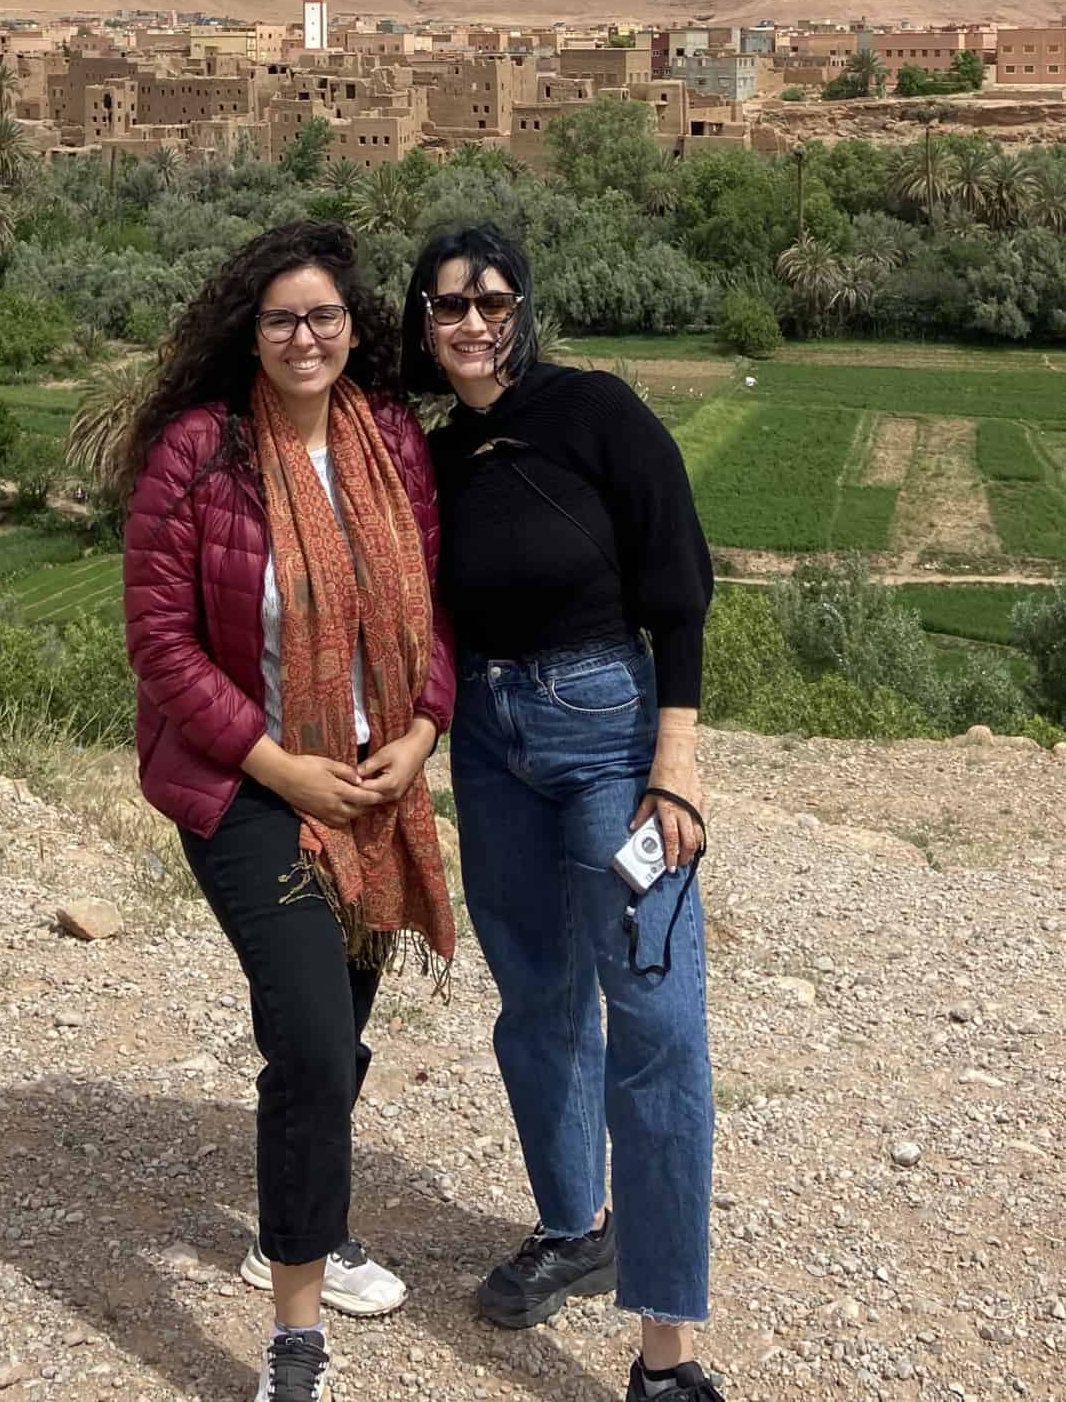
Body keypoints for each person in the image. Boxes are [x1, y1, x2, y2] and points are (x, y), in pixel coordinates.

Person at [125, 222, 455, 1402]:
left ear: (353, 329)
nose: (303, 336)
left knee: (334, 1041)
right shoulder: (200, 456)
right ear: (248, 333)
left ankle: (303, 1218)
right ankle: (294, 1346)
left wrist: (421, 731)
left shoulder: (392, 443)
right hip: (247, 785)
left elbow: (433, 605)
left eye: (322, 317)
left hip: (377, 777)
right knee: (314, 1040)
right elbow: (162, 645)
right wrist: (281, 767)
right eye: (280, 319)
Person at [402, 223, 721, 1402]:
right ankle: (570, 1223)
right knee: (537, 999)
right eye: (448, 305)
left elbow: (679, 583)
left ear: (524, 306)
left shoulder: (598, 411)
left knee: (655, 1017)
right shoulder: (436, 455)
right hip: (490, 746)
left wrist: (672, 763)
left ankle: (666, 1354)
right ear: (422, 321)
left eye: (491, 300)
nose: (472, 322)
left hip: (609, 736)